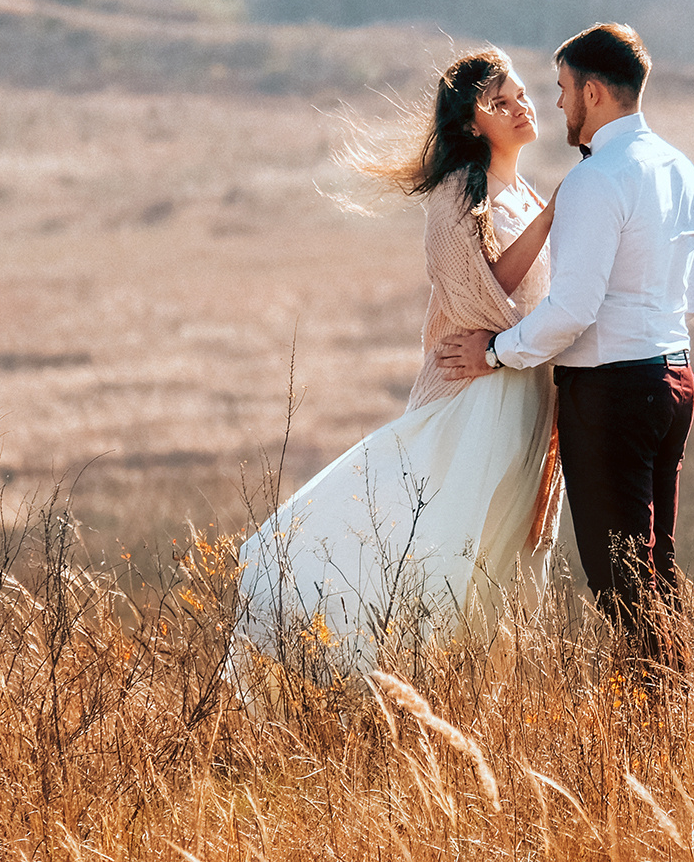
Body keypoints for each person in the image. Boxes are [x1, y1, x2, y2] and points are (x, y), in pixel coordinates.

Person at [229, 48, 562, 674]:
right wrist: (548, 226)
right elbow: (474, 288)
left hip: (524, 391)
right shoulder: (460, 192)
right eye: (501, 101)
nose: (521, 107)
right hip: (477, 391)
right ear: (470, 123)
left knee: (502, 545)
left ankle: (478, 686)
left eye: (522, 94)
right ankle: (361, 662)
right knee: (443, 536)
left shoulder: (523, 191)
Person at [439, 22, 694, 666]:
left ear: (593, 92)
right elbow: (686, 294)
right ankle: (678, 709)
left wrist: (494, 352)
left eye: (561, 89)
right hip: (674, 378)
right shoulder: (680, 168)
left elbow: (573, 310)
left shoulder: (595, 179)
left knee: (621, 581)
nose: (555, 103)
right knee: (654, 564)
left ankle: (655, 715)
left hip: (612, 390)